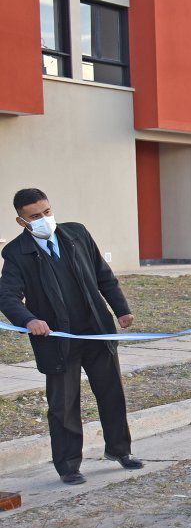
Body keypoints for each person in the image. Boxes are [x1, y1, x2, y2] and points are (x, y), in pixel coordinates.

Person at [0, 188, 143, 484]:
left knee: (111, 394)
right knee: (63, 405)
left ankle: (120, 450)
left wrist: (121, 310)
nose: (44, 220)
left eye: (47, 212)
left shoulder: (76, 234)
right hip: (57, 340)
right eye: (35, 216)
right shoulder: (16, 253)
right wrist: (29, 320)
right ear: (21, 221)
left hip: (95, 333)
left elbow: (104, 274)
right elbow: (7, 296)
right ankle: (68, 465)